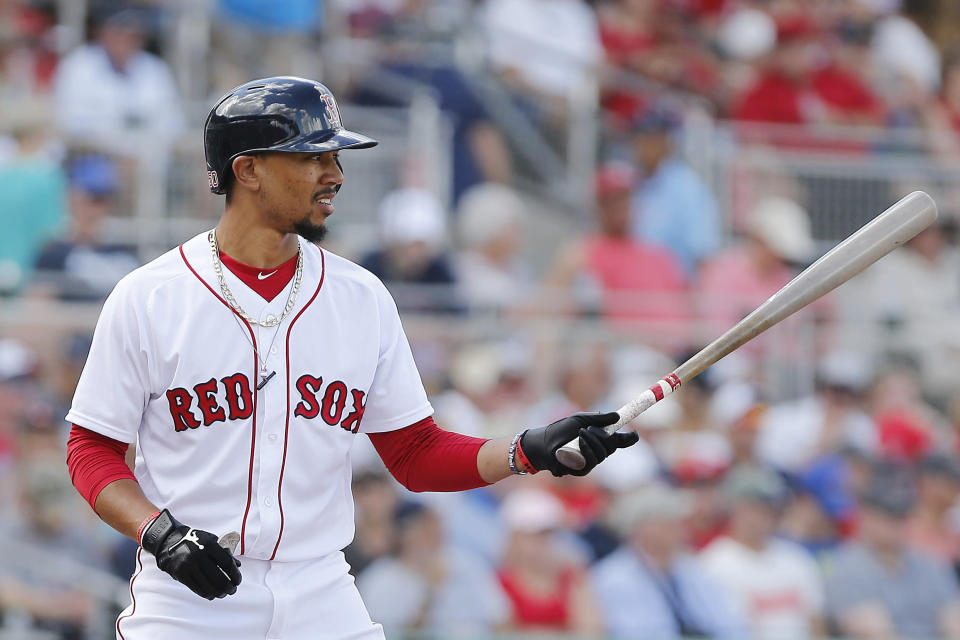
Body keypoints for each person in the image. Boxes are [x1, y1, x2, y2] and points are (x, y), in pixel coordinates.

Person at [63, 76, 639, 640]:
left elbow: (414, 452)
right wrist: (159, 533)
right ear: (249, 170)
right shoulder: (151, 297)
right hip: (189, 594)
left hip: (319, 587)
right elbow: (90, 449)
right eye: (312, 158)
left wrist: (527, 450)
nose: (334, 175)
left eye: (335, 158)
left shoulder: (361, 297)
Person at [590, 483, 747, 639]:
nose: (680, 527)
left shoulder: (692, 568)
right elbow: (633, 633)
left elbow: (728, 623)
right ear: (642, 527)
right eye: (668, 520)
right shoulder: (612, 578)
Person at [825, 476, 960, 640]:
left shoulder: (929, 563)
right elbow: (875, 633)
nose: (897, 524)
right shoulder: (847, 567)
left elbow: (953, 619)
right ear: (866, 517)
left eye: (902, 515)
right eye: (889, 515)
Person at [700, 466, 826, 640]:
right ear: (734, 508)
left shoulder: (795, 557)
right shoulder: (713, 564)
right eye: (754, 507)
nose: (763, 515)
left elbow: (816, 623)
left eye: (769, 507)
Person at [357, 500, 509, 636]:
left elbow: (500, 619)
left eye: (435, 526)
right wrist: (430, 593)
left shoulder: (466, 563)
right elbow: (396, 635)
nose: (434, 534)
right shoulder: (379, 580)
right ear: (403, 535)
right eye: (423, 528)